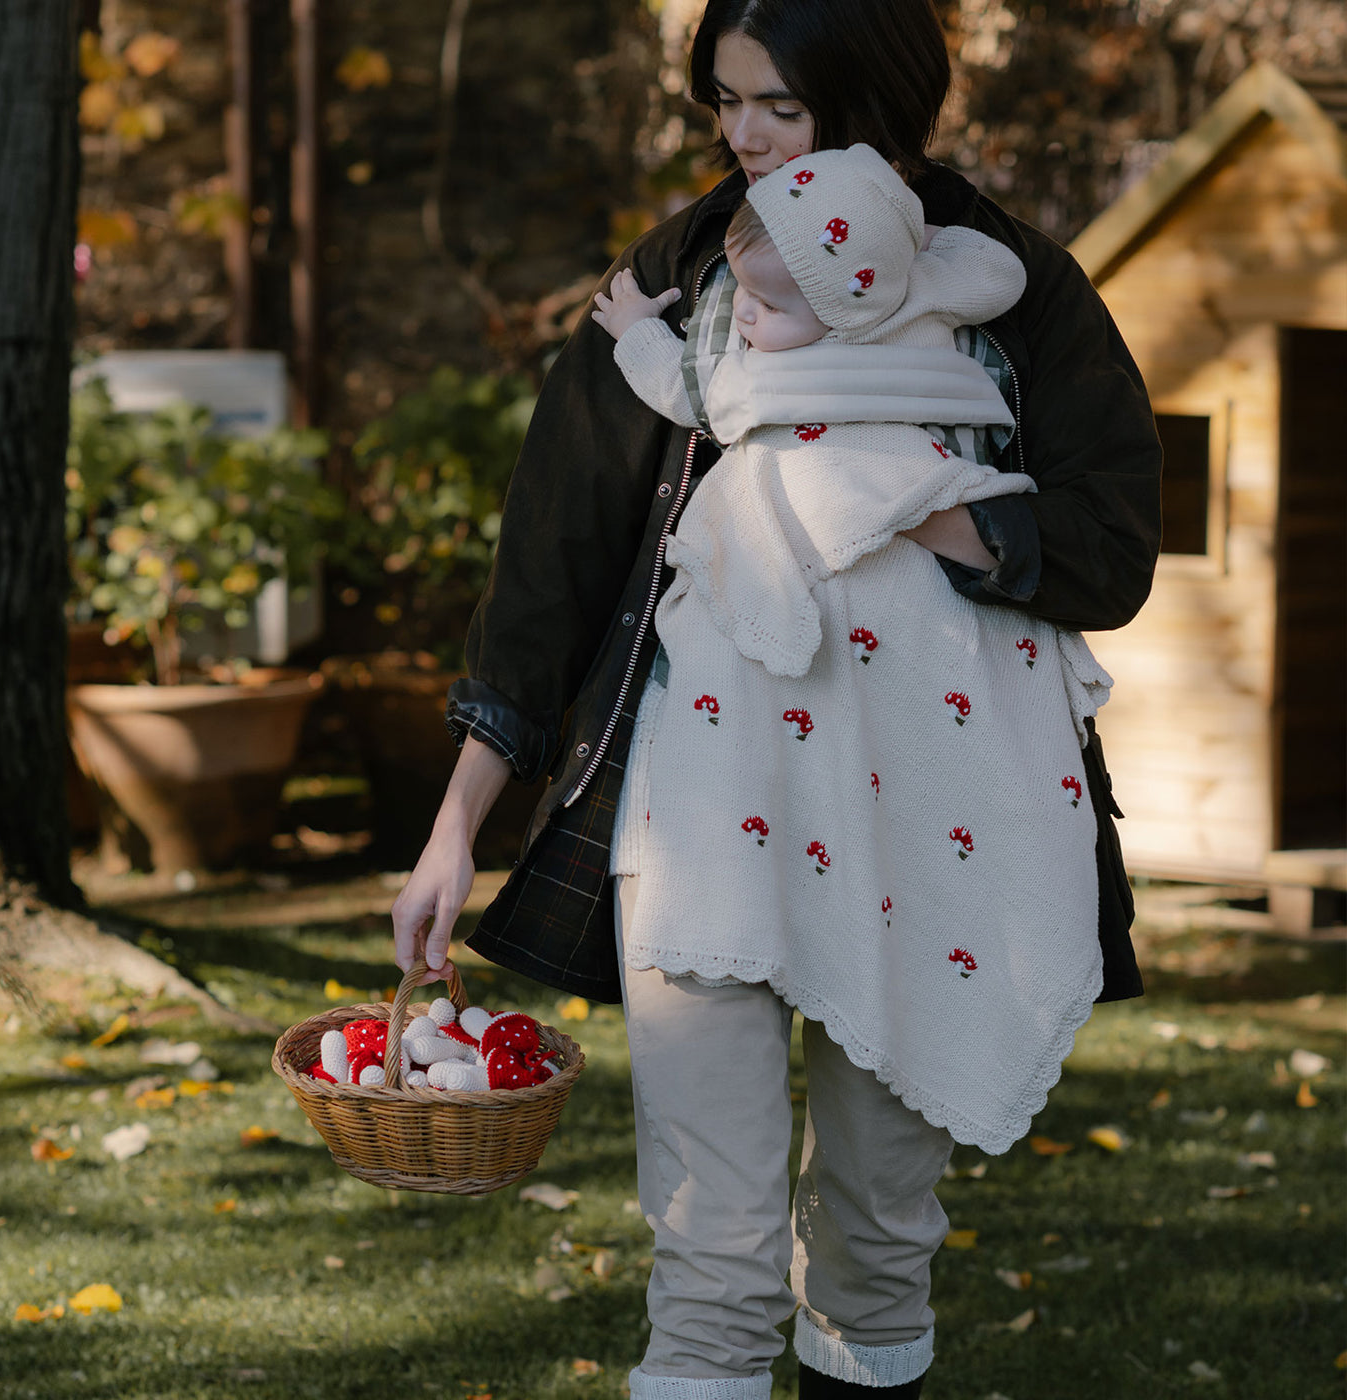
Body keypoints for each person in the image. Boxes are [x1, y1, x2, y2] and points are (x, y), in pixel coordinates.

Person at [392, 2, 1161, 1395]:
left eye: (781, 109)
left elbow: (1112, 547)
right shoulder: (689, 269)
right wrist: (458, 822)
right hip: (710, 809)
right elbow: (548, 571)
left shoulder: (1020, 289)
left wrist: (918, 503)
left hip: (941, 818)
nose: (742, 138)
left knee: (874, 1244)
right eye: (725, 105)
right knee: (713, 1249)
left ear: (880, 99)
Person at [591, 138, 1114, 1163]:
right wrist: (633, 325)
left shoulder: (846, 376)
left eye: (770, 307)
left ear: (856, 308)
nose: (743, 322)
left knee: (873, 1187)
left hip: (883, 711)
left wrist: (631, 339)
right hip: (751, 770)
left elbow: (690, 395)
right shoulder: (815, 350)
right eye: (741, 296)